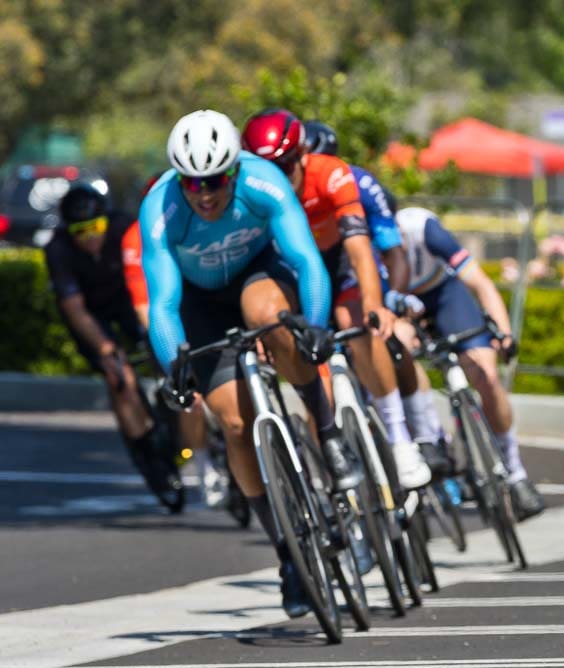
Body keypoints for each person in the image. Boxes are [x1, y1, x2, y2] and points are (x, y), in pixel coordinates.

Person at [142, 109, 363, 618]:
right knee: (237, 424)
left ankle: (328, 434)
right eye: (193, 183)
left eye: (215, 180)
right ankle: (287, 551)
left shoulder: (262, 182)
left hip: (258, 275)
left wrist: (314, 324)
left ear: (235, 170)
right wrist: (174, 366)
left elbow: (306, 259)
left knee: (270, 316)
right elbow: (163, 305)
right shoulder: (161, 211)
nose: (205, 193)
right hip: (200, 303)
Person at [242, 110, 431, 490]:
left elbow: (361, 251)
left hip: (338, 264)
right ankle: (335, 485)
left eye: (285, 165)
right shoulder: (251, 190)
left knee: (356, 323)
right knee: (318, 383)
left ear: (303, 155)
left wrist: (376, 306)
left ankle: (399, 439)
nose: (278, 176)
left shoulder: (331, 174)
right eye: (268, 168)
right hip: (293, 274)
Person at [301, 121, 446, 475]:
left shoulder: (359, 184)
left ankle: (417, 436)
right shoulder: (287, 190)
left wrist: (392, 302)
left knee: (387, 338)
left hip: (356, 266)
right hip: (311, 276)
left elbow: (392, 252)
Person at [393, 205, 545, 521]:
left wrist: (503, 333)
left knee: (486, 374)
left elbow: (480, 284)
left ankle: (515, 473)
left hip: (444, 294)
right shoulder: (363, 245)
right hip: (402, 307)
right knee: (399, 354)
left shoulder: (424, 229)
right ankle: (433, 439)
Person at [121, 175, 225, 508]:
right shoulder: (137, 237)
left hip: (207, 305)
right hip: (170, 320)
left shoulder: (204, 214)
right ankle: (204, 464)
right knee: (189, 394)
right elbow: (145, 307)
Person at [45, 183, 157, 471]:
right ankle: (144, 446)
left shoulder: (123, 228)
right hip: (91, 315)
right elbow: (75, 308)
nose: (91, 237)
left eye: (96, 227)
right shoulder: (58, 250)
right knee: (120, 377)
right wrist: (106, 349)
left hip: (125, 300)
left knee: (158, 350)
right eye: (80, 231)